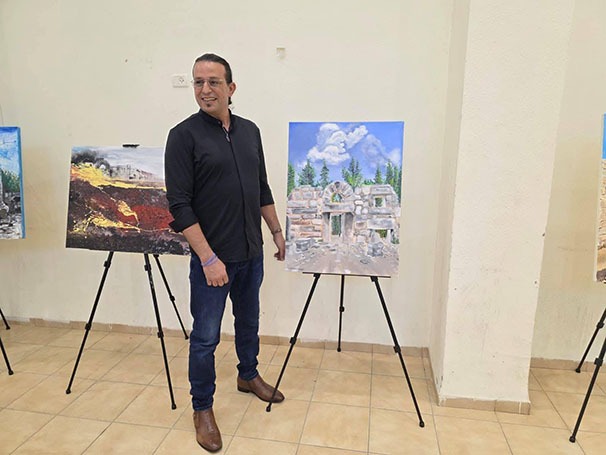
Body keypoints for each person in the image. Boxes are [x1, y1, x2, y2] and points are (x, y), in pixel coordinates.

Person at [164, 53, 285, 453]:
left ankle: (248, 375)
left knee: (249, 321)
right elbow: (180, 207)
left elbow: (261, 187)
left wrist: (276, 231)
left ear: (231, 88)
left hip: (251, 252)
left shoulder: (250, 131)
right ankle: (202, 408)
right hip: (212, 261)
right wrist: (208, 259)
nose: (205, 90)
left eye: (214, 82)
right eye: (198, 82)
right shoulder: (183, 136)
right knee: (205, 338)